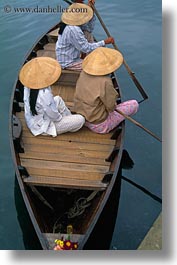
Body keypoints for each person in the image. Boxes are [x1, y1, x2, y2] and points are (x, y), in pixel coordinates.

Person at [74, 47, 139, 134]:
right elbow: (111, 107)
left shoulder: (83, 73)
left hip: (81, 116)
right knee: (134, 104)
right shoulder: (105, 81)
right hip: (98, 125)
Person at [19, 57, 85, 137]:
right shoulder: (44, 94)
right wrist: (61, 118)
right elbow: (55, 117)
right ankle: (68, 121)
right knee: (81, 119)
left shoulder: (27, 86)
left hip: (34, 120)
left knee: (58, 99)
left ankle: (68, 118)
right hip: (43, 127)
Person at [56, 3, 114, 71]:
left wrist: (91, 8)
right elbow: (86, 48)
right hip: (68, 62)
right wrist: (104, 42)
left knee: (87, 33)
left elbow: (89, 28)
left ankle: (85, 56)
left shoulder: (70, 23)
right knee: (99, 66)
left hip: (72, 54)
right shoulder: (73, 29)